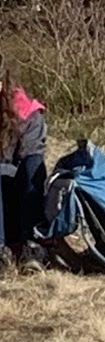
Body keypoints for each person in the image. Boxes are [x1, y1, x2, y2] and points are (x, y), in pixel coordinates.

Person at [0, 65, 48, 274]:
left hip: (17, 191)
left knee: (34, 163)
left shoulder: (26, 112)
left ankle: (32, 246)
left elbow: (30, 155)